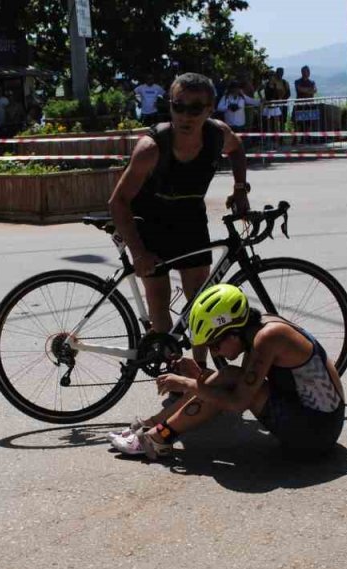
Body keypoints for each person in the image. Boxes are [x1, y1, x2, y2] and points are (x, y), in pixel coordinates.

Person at [108, 72, 250, 370]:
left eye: (195, 108)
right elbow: (117, 202)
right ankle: (172, 371)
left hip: (190, 219)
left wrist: (240, 190)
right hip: (150, 224)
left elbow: (236, 150)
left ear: (211, 108)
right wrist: (138, 253)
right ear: (170, 106)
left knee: (199, 302)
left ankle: (197, 372)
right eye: (178, 106)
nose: (186, 115)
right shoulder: (151, 148)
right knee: (158, 301)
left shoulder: (217, 134)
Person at [107, 284, 346, 460]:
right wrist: (198, 375)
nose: (215, 351)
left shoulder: (268, 338)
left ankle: (158, 438)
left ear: (233, 333)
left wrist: (189, 384)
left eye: (214, 344)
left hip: (316, 434)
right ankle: (153, 426)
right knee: (229, 375)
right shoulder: (258, 327)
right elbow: (240, 382)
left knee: (228, 379)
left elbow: (237, 402)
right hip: (312, 416)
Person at [293, 66, 319, 136]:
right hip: (299, 106)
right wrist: (309, 90)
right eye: (305, 71)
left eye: (308, 71)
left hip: (309, 105)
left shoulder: (312, 82)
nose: (307, 73)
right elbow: (299, 89)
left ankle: (306, 138)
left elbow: (314, 91)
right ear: (302, 72)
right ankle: (295, 139)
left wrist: (305, 90)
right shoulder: (297, 81)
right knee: (297, 123)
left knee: (308, 123)